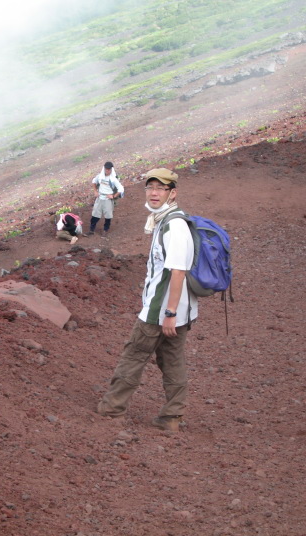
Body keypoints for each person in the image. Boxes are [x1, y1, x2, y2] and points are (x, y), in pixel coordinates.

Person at [97, 168, 197, 432]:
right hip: (180, 311)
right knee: (172, 360)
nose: (154, 193)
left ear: (172, 193)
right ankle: (171, 417)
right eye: (150, 187)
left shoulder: (173, 225)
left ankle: (111, 410)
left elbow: (177, 272)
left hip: (160, 310)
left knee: (134, 355)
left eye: (161, 188)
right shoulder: (165, 220)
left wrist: (170, 313)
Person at [89, 161, 124, 236]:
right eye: (106, 169)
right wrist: (95, 191)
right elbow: (94, 182)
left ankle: (105, 230)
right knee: (95, 214)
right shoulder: (100, 176)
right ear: (104, 169)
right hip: (100, 197)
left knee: (108, 216)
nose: (107, 171)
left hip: (108, 199)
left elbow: (121, 188)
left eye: (109, 169)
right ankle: (91, 230)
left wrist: (113, 196)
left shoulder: (113, 179)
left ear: (111, 170)